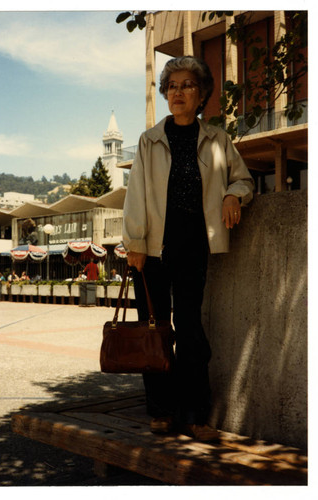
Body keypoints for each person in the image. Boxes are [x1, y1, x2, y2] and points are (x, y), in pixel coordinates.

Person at [123, 56, 254, 441]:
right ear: (166, 95)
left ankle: (195, 414)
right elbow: (135, 198)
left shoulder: (217, 140)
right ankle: (161, 413)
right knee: (155, 331)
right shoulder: (149, 140)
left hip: (193, 249)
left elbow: (244, 180)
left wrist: (233, 195)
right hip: (150, 252)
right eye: (172, 86)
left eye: (187, 86)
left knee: (192, 331)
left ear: (202, 96)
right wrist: (134, 244)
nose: (178, 92)